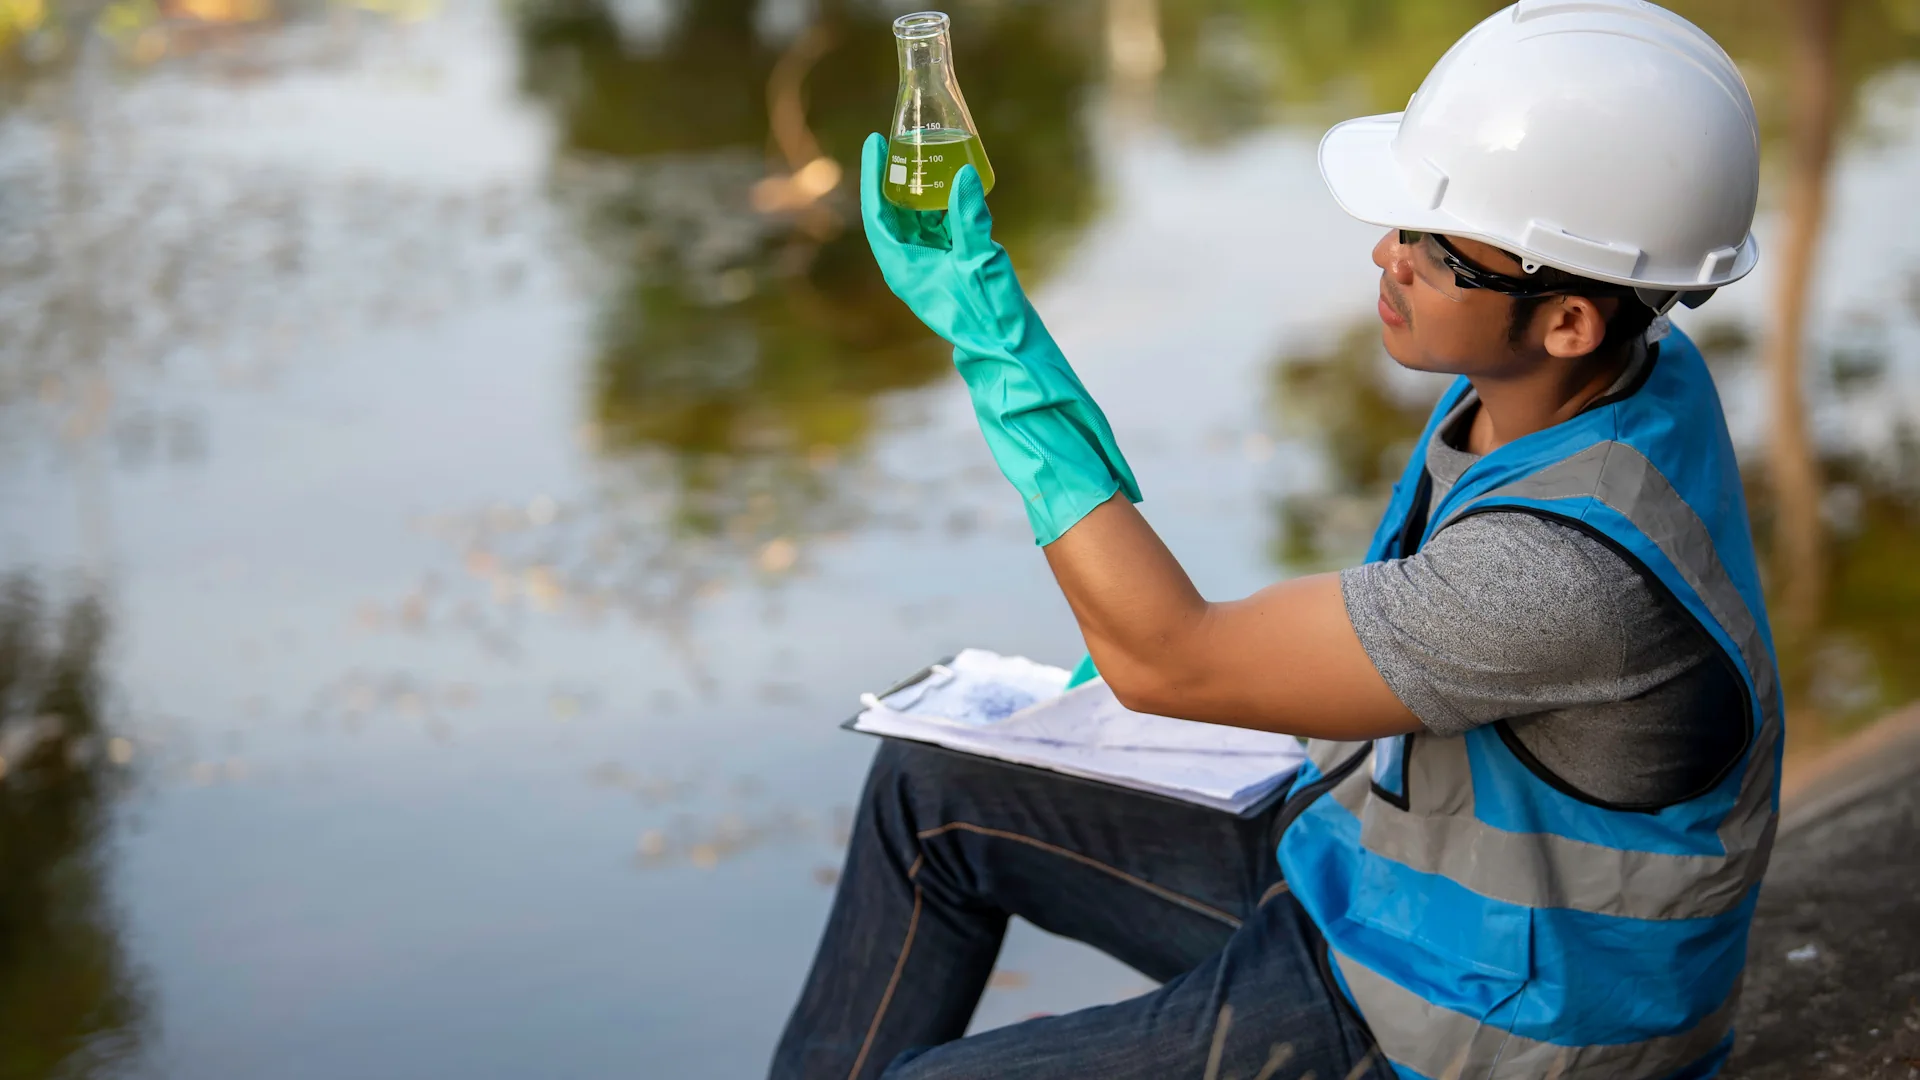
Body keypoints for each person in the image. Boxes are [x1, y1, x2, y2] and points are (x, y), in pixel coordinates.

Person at [770, 3, 1779, 1078]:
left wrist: (994, 345)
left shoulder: (1561, 578)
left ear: (1569, 319)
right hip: (1388, 889)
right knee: (936, 793)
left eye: (1434, 251)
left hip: (1479, 1025)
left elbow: (1171, 656)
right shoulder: (1595, 380)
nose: (1385, 252)